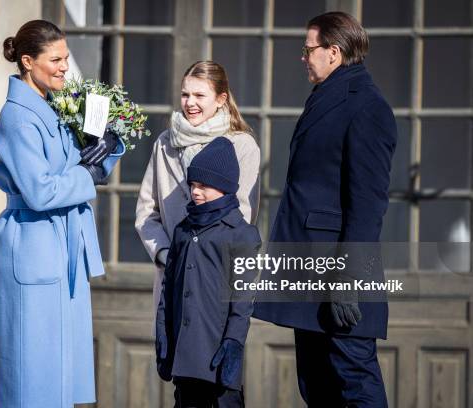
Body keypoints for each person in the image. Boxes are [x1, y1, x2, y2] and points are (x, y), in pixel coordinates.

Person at [252, 12, 397, 407]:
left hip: (336, 269)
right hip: (307, 267)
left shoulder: (367, 106)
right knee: (316, 383)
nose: (303, 57)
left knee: (355, 379)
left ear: (333, 52)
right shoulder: (329, 94)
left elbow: (368, 202)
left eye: (309, 49)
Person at [0, 20, 125, 408]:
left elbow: (86, 162)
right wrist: (91, 173)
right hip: (33, 243)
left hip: (62, 243)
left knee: (61, 368)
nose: (66, 66)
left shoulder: (55, 103)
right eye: (57, 59)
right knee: (30, 369)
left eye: (66, 57)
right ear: (28, 62)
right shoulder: (18, 116)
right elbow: (41, 190)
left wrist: (108, 143)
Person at [136, 61, 261, 317]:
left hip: (214, 276)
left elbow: (243, 216)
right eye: (185, 94)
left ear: (220, 99)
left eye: (199, 95)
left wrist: (203, 259)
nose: (190, 102)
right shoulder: (165, 143)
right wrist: (164, 255)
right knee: (168, 353)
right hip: (171, 276)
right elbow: (147, 211)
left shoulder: (242, 146)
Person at [155, 137, 261, 407]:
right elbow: (169, 290)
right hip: (184, 359)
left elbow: (243, 299)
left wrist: (233, 342)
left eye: (203, 185)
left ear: (225, 188)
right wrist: (164, 334)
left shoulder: (241, 235)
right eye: (192, 184)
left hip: (216, 359)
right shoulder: (182, 230)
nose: (195, 192)